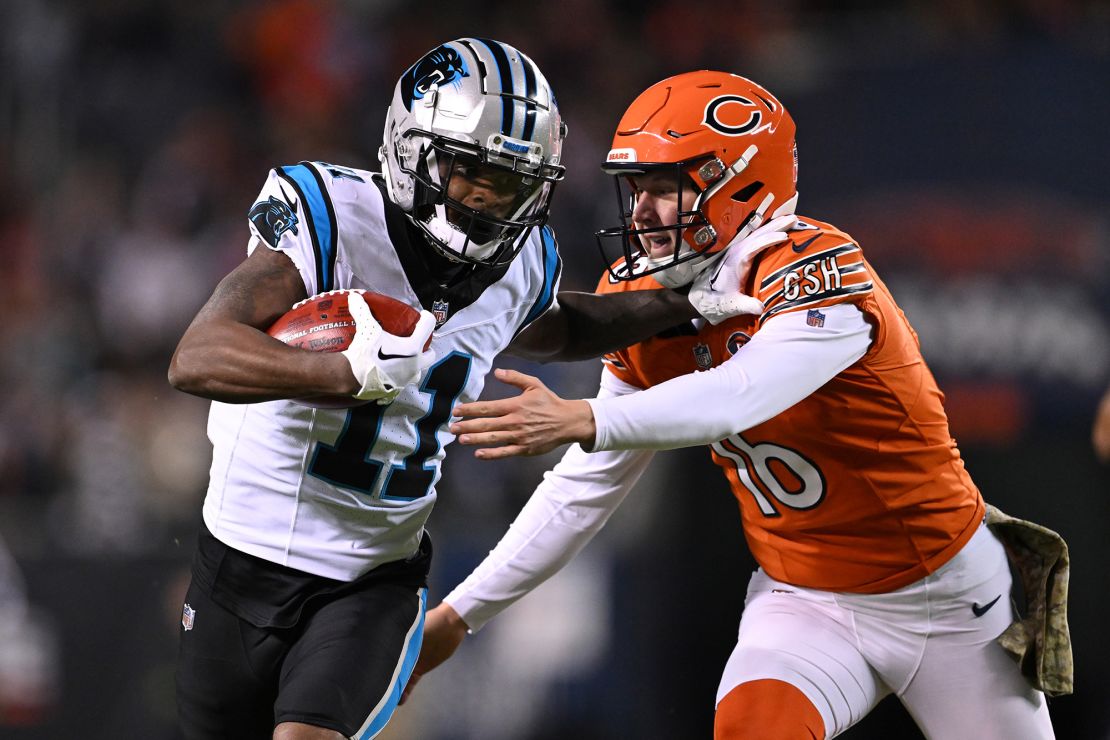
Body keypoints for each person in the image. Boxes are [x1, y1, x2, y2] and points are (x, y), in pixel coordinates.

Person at [409, 71, 1066, 738]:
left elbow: (743, 391)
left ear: (743, 181)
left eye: (667, 187)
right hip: (804, 602)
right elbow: (585, 488)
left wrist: (587, 418)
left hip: (948, 601)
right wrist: (460, 614)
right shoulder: (640, 298)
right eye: (637, 187)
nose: (642, 212)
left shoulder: (816, 265)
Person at [166, 42, 750, 740]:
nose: (485, 197)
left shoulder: (519, 265)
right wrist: (339, 373)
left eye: (508, 181)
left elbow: (561, 328)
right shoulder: (332, 218)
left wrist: (690, 299)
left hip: (370, 582)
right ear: (411, 151)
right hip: (235, 567)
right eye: (469, 169)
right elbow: (196, 355)